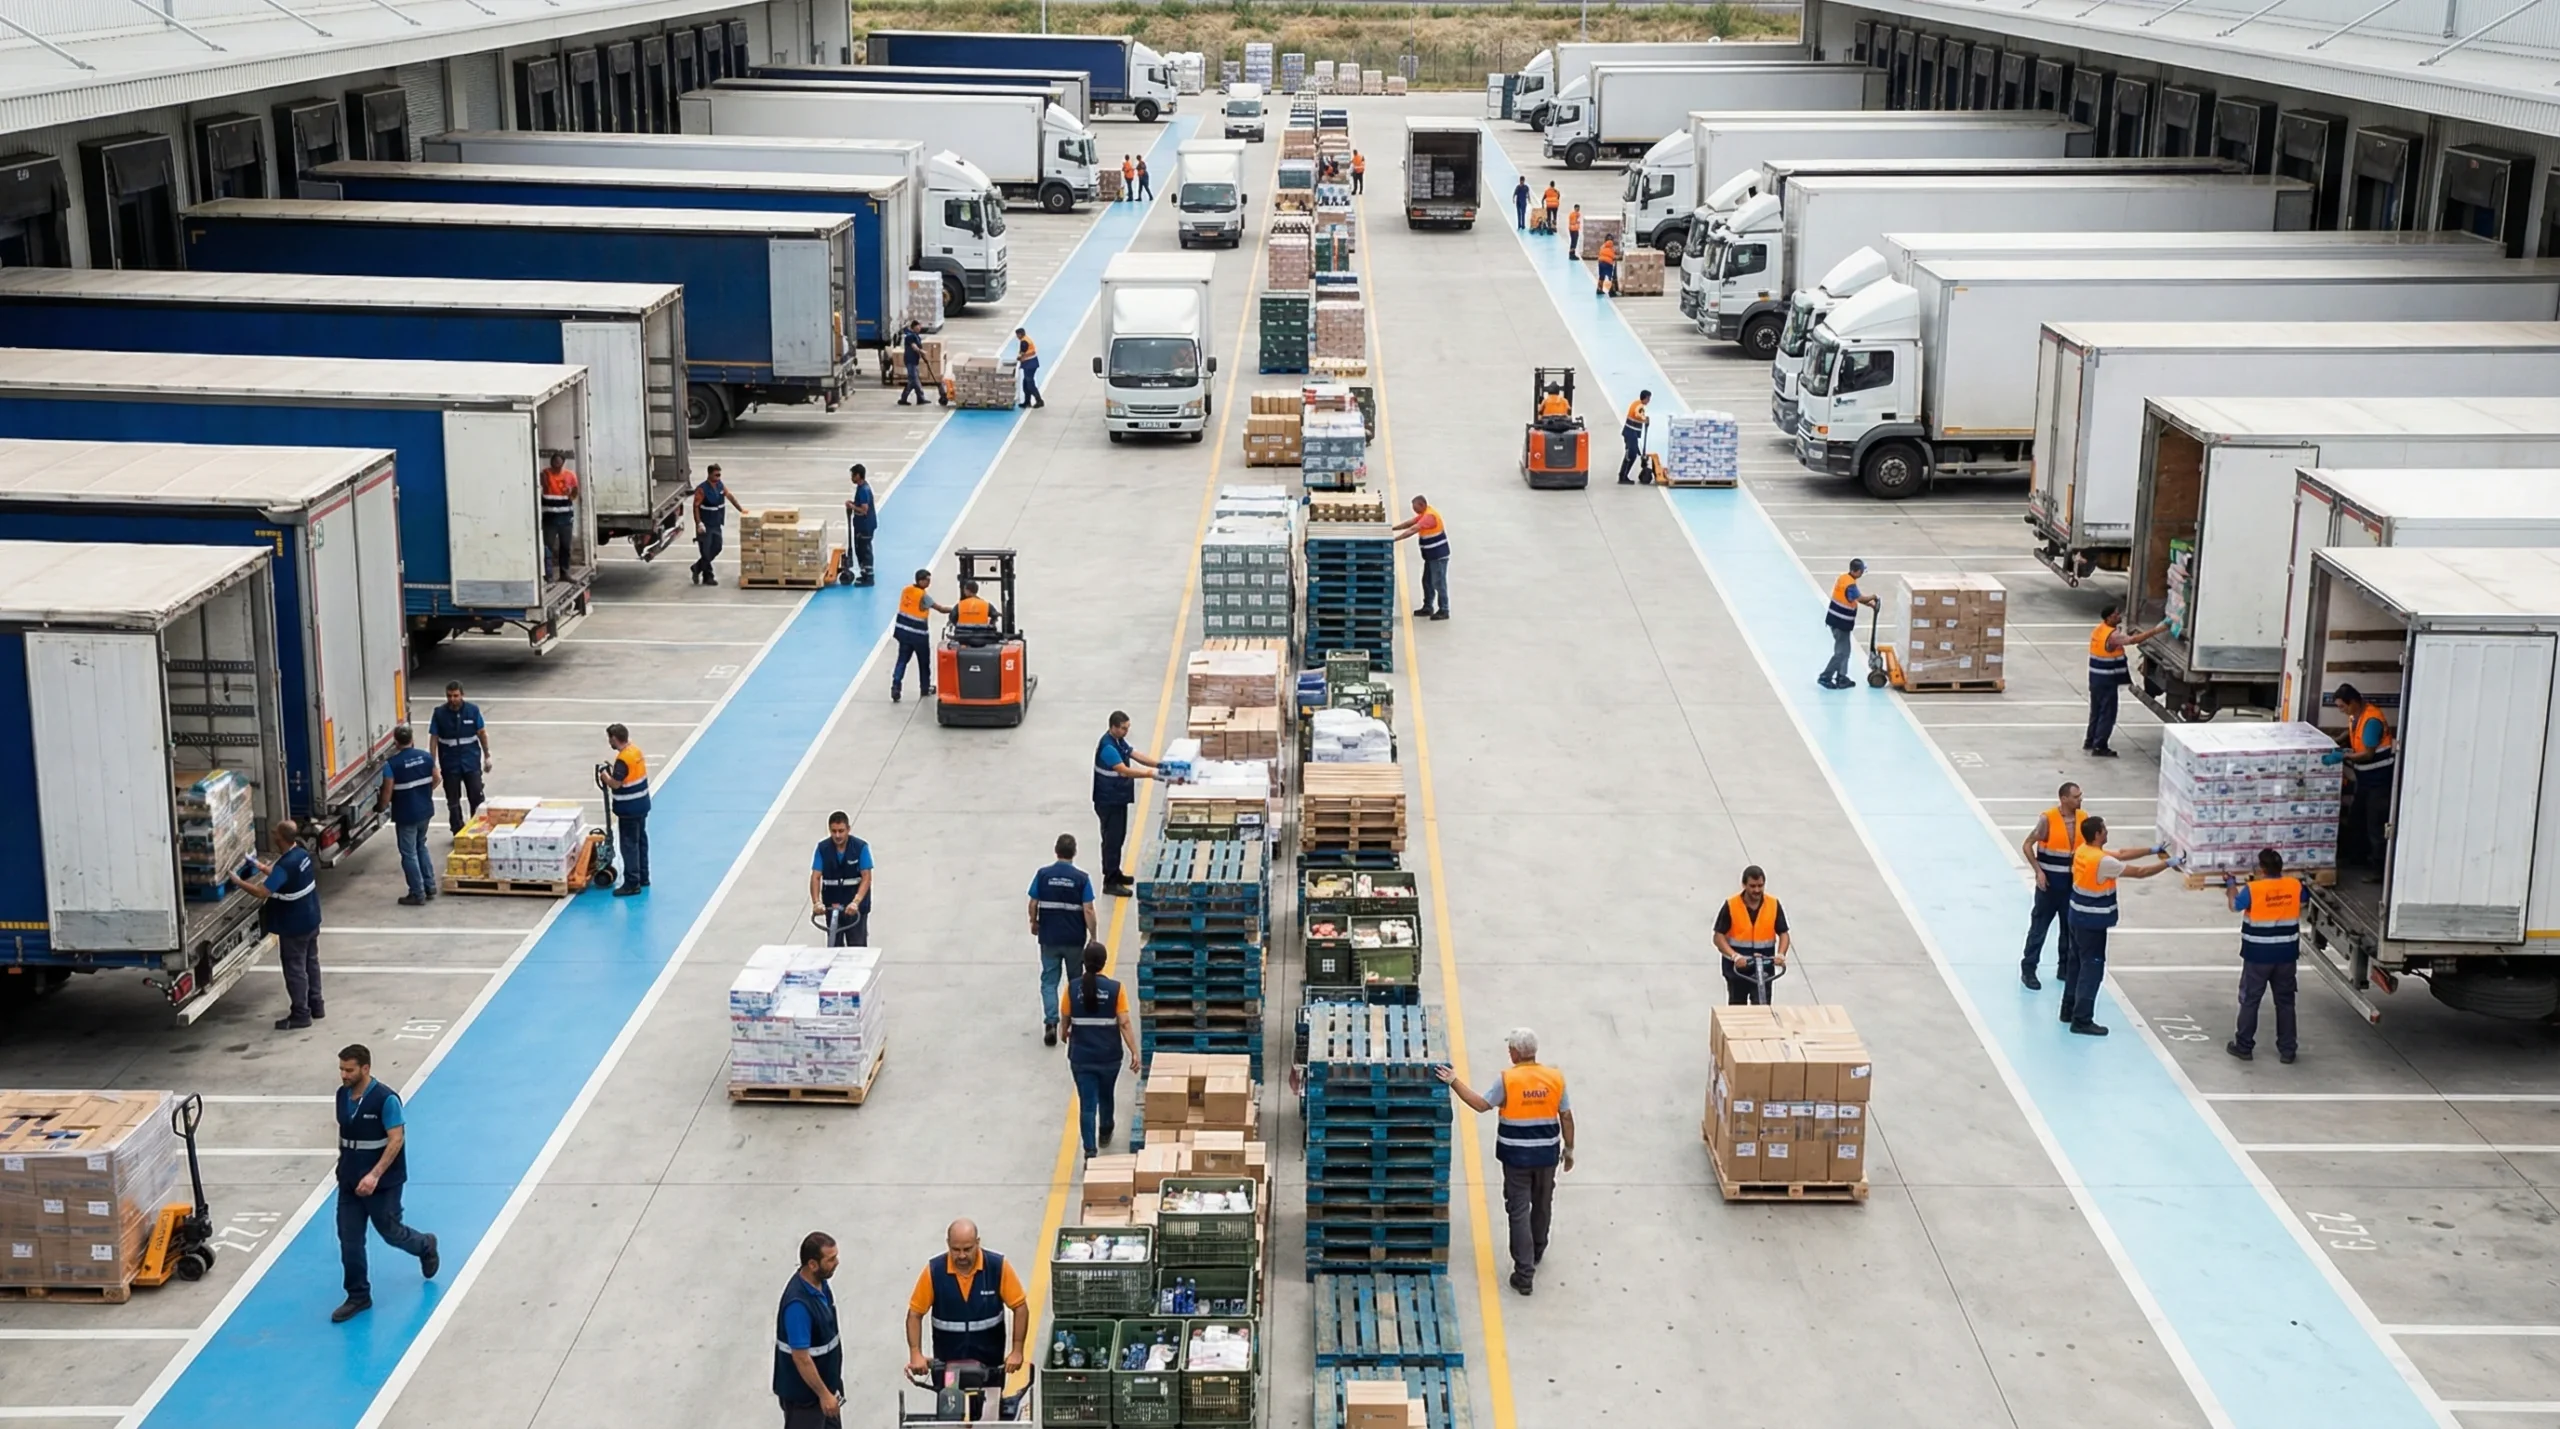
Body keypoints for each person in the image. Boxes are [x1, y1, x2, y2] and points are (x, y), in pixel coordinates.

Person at [1436, 1028, 1572, 1297]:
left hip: (1517, 1159)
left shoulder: (1508, 1080)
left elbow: (1481, 1104)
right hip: (1546, 1157)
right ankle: (1538, 1248)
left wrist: (1454, 1081)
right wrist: (1569, 1149)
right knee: (1543, 1203)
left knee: (1519, 1211)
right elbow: (1566, 1116)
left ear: (1515, 1053)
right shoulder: (1555, 1078)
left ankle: (1524, 1274)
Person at [330, 1043, 438, 1323]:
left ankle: (425, 1245)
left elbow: (396, 1139)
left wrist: (375, 1175)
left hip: (382, 1184)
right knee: (349, 1239)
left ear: (365, 1068)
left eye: (349, 1070)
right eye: (341, 1069)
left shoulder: (385, 1099)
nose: (343, 1075)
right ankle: (358, 1295)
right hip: (350, 1183)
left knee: (391, 1233)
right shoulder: (342, 1096)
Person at [2062, 815, 2174, 1036]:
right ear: (2097, 834)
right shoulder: (2103, 862)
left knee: (2075, 964)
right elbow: (2140, 873)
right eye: (2104, 830)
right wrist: (2168, 863)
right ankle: (2082, 1019)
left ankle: (2067, 1010)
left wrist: (2153, 850)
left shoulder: (2084, 851)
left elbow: (2122, 853)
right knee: (2092, 969)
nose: (2107, 832)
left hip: (2076, 916)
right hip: (2093, 922)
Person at [904, 1219, 1029, 1411]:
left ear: (978, 1242)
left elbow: (1020, 1307)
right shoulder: (934, 1271)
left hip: (989, 1369)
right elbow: (914, 1314)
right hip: (949, 1371)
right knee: (951, 1416)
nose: (961, 1255)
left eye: (968, 1249)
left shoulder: (997, 1267)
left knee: (989, 1419)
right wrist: (915, 1353)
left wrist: (1017, 1350)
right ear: (948, 1244)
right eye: (956, 1249)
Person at [232, 820, 322, 1030]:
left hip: (294, 926)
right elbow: (283, 877)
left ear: (280, 838)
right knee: (311, 963)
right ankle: (316, 1004)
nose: (272, 835)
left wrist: (238, 882)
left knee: (294, 969)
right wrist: (258, 865)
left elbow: (262, 892)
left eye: (274, 832)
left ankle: (301, 1013)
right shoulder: (300, 855)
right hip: (311, 918)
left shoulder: (286, 865)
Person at [1061, 943, 1141, 1158]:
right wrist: (1134, 1051)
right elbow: (1124, 1023)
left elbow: (1065, 1018)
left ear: (1084, 962)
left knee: (1087, 1104)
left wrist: (1063, 1033)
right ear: (1104, 963)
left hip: (1081, 1057)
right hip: (1109, 1056)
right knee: (1106, 1094)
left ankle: (1089, 1151)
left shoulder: (1072, 988)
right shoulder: (1116, 989)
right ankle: (1105, 1129)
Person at [2226, 849, 2302, 1064]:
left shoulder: (2253, 889)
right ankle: (2288, 1050)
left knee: (2250, 1000)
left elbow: (2234, 906)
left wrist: (2231, 885)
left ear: (2261, 869)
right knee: (2286, 1002)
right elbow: (2303, 900)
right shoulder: (2294, 885)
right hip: (2286, 955)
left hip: (2258, 955)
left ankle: (2244, 1046)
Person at [1029, 834, 1098, 1045]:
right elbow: (1088, 909)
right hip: (1074, 939)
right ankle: (1075, 1022)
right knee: (1075, 981)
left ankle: (1051, 1023)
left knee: (1049, 981)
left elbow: (1033, 903)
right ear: (1074, 852)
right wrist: (1093, 936)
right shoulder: (1082, 878)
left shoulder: (1043, 875)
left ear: (1056, 851)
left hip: (1049, 938)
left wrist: (1034, 921)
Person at [2018, 781, 2085, 990]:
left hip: (2071, 885)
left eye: (2080, 796)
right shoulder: (2048, 819)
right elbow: (2028, 844)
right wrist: (2038, 871)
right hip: (2049, 887)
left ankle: (2064, 968)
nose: (2080, 799)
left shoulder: (2084, 819)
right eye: (2076, 796)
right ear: (2064, 799)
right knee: (2039, 929)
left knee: (2069, 930)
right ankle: (2029, 969)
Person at [775, 1231, 844, 1428]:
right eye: (830, 1259)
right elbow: (801, 1358)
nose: (837, 1262)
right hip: (806, 1400)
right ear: (812, 1264)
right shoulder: (798, 1306)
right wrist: (824, 1395)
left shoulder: (820, 1285)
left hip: (827, 1391)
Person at [2327, 683, 2394, 877]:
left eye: (2342, 706)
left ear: (2353, 702)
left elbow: (2367, 754)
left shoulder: (2372, 720)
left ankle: (2379, 870)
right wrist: (2335, 742)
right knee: (2357, 818)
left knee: (2375, 824)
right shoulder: (2357, 714)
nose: (2341, 711)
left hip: (2378, 780)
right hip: (2365, 780)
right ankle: (2357, 859)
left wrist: (2344, 756)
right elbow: (2352, 731)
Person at [2086, 604, 2165, 758]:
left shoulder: (2100, 629)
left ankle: (2090, 740)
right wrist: (2157, 630)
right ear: (2109, 617)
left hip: (2095, 678)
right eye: (2116, 615)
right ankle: (2100, 746)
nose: (2119, 616)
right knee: (2108, 714)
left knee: (2096, 711)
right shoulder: (2113, 636)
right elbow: (2133, 640)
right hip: (2107, 680)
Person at [1093, 712, 1158, 895]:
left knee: (1119, 837)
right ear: (1113, 727)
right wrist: (1149, 774)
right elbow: (1123, 770)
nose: (1126, 731)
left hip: (1117, 798)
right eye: (1123, 728)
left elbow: (1135, 754)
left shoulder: (1119, 742)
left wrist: (1158, 764)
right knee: (1112, 841)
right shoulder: (1108, 747)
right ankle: (1110, 882)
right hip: (1108, 801)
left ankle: (1116, 872)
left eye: (1128, 728)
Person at [378, 725, 438, 907]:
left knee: (408, 853)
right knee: (421, 846)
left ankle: (417, 892)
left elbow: (387, 791)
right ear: (412, 739)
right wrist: (424, 793)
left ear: (395, 742)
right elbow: (437, 778)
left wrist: (381, 806)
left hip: (406, 814)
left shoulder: (391, 764)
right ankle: (430, 885)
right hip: (425, 810)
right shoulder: (426, 757)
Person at [1713, 865, 1790, 1005]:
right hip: (1737, 971)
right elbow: (1718, 937)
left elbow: (1784, 934)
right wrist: (1734, 956)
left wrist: (1781, 954)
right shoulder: (1731, 905)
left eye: (1760, 886)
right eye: (1752, 886)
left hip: (1763, 970)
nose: (1757, 890)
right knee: (1737, 1009)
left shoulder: (1773, 904)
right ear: (1744, 885)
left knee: (1762, 1008)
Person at [429, 681, 490, 834]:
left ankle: (478, 828)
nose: (452, 699)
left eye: (456, 696)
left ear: (462, 695)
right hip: (450, 761)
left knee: (476, 794)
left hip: (470, 760)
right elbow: (434, 739)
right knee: (453, 799)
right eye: (449, 696)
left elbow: (481, 733)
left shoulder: (472, 710)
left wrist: (487, 755)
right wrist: (433, 764)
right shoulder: (439, 713)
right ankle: (457, 830)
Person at [598, 723, 650, 896]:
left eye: (609, 739)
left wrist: (605, 777)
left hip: (629, 809)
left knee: (629, 845)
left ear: (614, 738)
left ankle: (631, 883)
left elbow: (616, 783)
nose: (609, 742)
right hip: (642, 805)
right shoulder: (635, 752)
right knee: (641, 840)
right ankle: (643, 876)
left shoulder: (622, 760)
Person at [809, 812, 874, 947]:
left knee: (857, 946)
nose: (837, 835)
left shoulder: (860, 847)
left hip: (854, 905)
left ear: (848, 830)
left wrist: (856, 902)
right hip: (832, 902)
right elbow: (815, 877)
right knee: (834, 944)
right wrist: (816, 902)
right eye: (834, 831)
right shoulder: (823, 848)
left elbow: (866, 877)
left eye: (841, 831)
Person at [892, 569, 952, 702]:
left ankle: (896, 686)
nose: (929, 583)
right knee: (924, 662)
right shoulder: (923, 597)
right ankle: (924, 688)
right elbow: (940, 609)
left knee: (902, 660)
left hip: (903, 633)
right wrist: (957, 609)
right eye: (928, 580)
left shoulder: (906, 590)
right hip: (918, 636)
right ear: (921, 580)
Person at [1819, 559, 1880, 690]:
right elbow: (1860, 598)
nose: (1862, 574)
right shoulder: (1850, 585)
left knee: (1845, 651)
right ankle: (1825, 677)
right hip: (1840, 623)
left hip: (1836, 620)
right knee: (1841, 653)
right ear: (1856, 571)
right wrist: (1873, 597)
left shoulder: (1844, 578)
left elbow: (1853, 598)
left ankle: (1842, 677)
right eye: (1862, 571)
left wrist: (1869, 604)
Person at [1392, 494, 1450, 621]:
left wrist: (1395, 539)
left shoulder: (1429, 516)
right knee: (1427, 581)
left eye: (1415, 508)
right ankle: (1428, 606)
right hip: (1431, 556)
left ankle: (1444, 609)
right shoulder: (1424, 514)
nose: (1414, 510)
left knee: (1438, 583)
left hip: (1438, 556)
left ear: (1422, 505)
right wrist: (1392, 529)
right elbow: (1410, 523)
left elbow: (1413, 529)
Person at [691, 463, 735, 586]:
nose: (718, 477)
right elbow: (696, 507)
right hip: (705, 525)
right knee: (705, 551)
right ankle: (708, 576)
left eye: (720, 475)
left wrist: (741, 510)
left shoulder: (720, 485)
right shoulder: (702, 489)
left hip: (716, 523)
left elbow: (730, 497)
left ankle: (697, 567)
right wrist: (699, 523)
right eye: (716, 475)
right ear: (709, 474)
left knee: (717, 547)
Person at [539, 451, 579, 583]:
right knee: (547, 547)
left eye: (558, 461)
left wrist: (570, 494)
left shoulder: (570, 475)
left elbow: (575, 493)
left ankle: (565, 573)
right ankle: (548, 574)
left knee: (565, 547)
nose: (556, 464)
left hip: (565, 518)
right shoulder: (545, 474)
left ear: (563, 463)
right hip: (550, 518)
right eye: (554, 461)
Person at [842, 465, 877, 587]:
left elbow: (864, 509)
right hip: (863, 524)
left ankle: (869, 577)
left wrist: (852, 507)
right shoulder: (861, 488)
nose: (851, 477)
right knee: (860, 549)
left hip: (865, 526)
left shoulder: (863, 490)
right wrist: (853, 504)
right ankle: (865, 574)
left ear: (858, 475)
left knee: (864, 550)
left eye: (853, 475)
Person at [899, 321, 945, 407]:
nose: (920, 328)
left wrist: (924, 358)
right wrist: (921, 351)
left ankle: (918, 398)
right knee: (913, 381)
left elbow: (918, 348)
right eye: (918, 326)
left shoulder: (916, 336)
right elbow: (914, 347)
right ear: (914, 327)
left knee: (914, 380)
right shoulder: (910, 336)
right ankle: (906, 398)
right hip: (910, 361)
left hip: (914, 361)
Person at [1617, 388, 1650, 485]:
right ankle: (1623, 476)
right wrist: (1645, 419)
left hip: (1631, 433)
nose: (1649, 401)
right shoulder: (1639, 406)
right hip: (1630, 433)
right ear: (1646, 398)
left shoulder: (1636, 403)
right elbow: (1637, 414)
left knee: (1632, 454)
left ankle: (1624, 475)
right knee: (1631, 454)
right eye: (1648, 399)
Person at [1014, 328, 1045, 409]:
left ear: (1020, 334)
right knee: (1025, 383)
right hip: (1031, 363)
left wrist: (1020, 358)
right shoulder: (1026, 339)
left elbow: (1023, 353)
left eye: (1017, 335)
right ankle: (1027, 401)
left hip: (1029, 364)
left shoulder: (1024, 342)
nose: (1017, 337)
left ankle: (1039, 401)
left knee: (1030, 383)